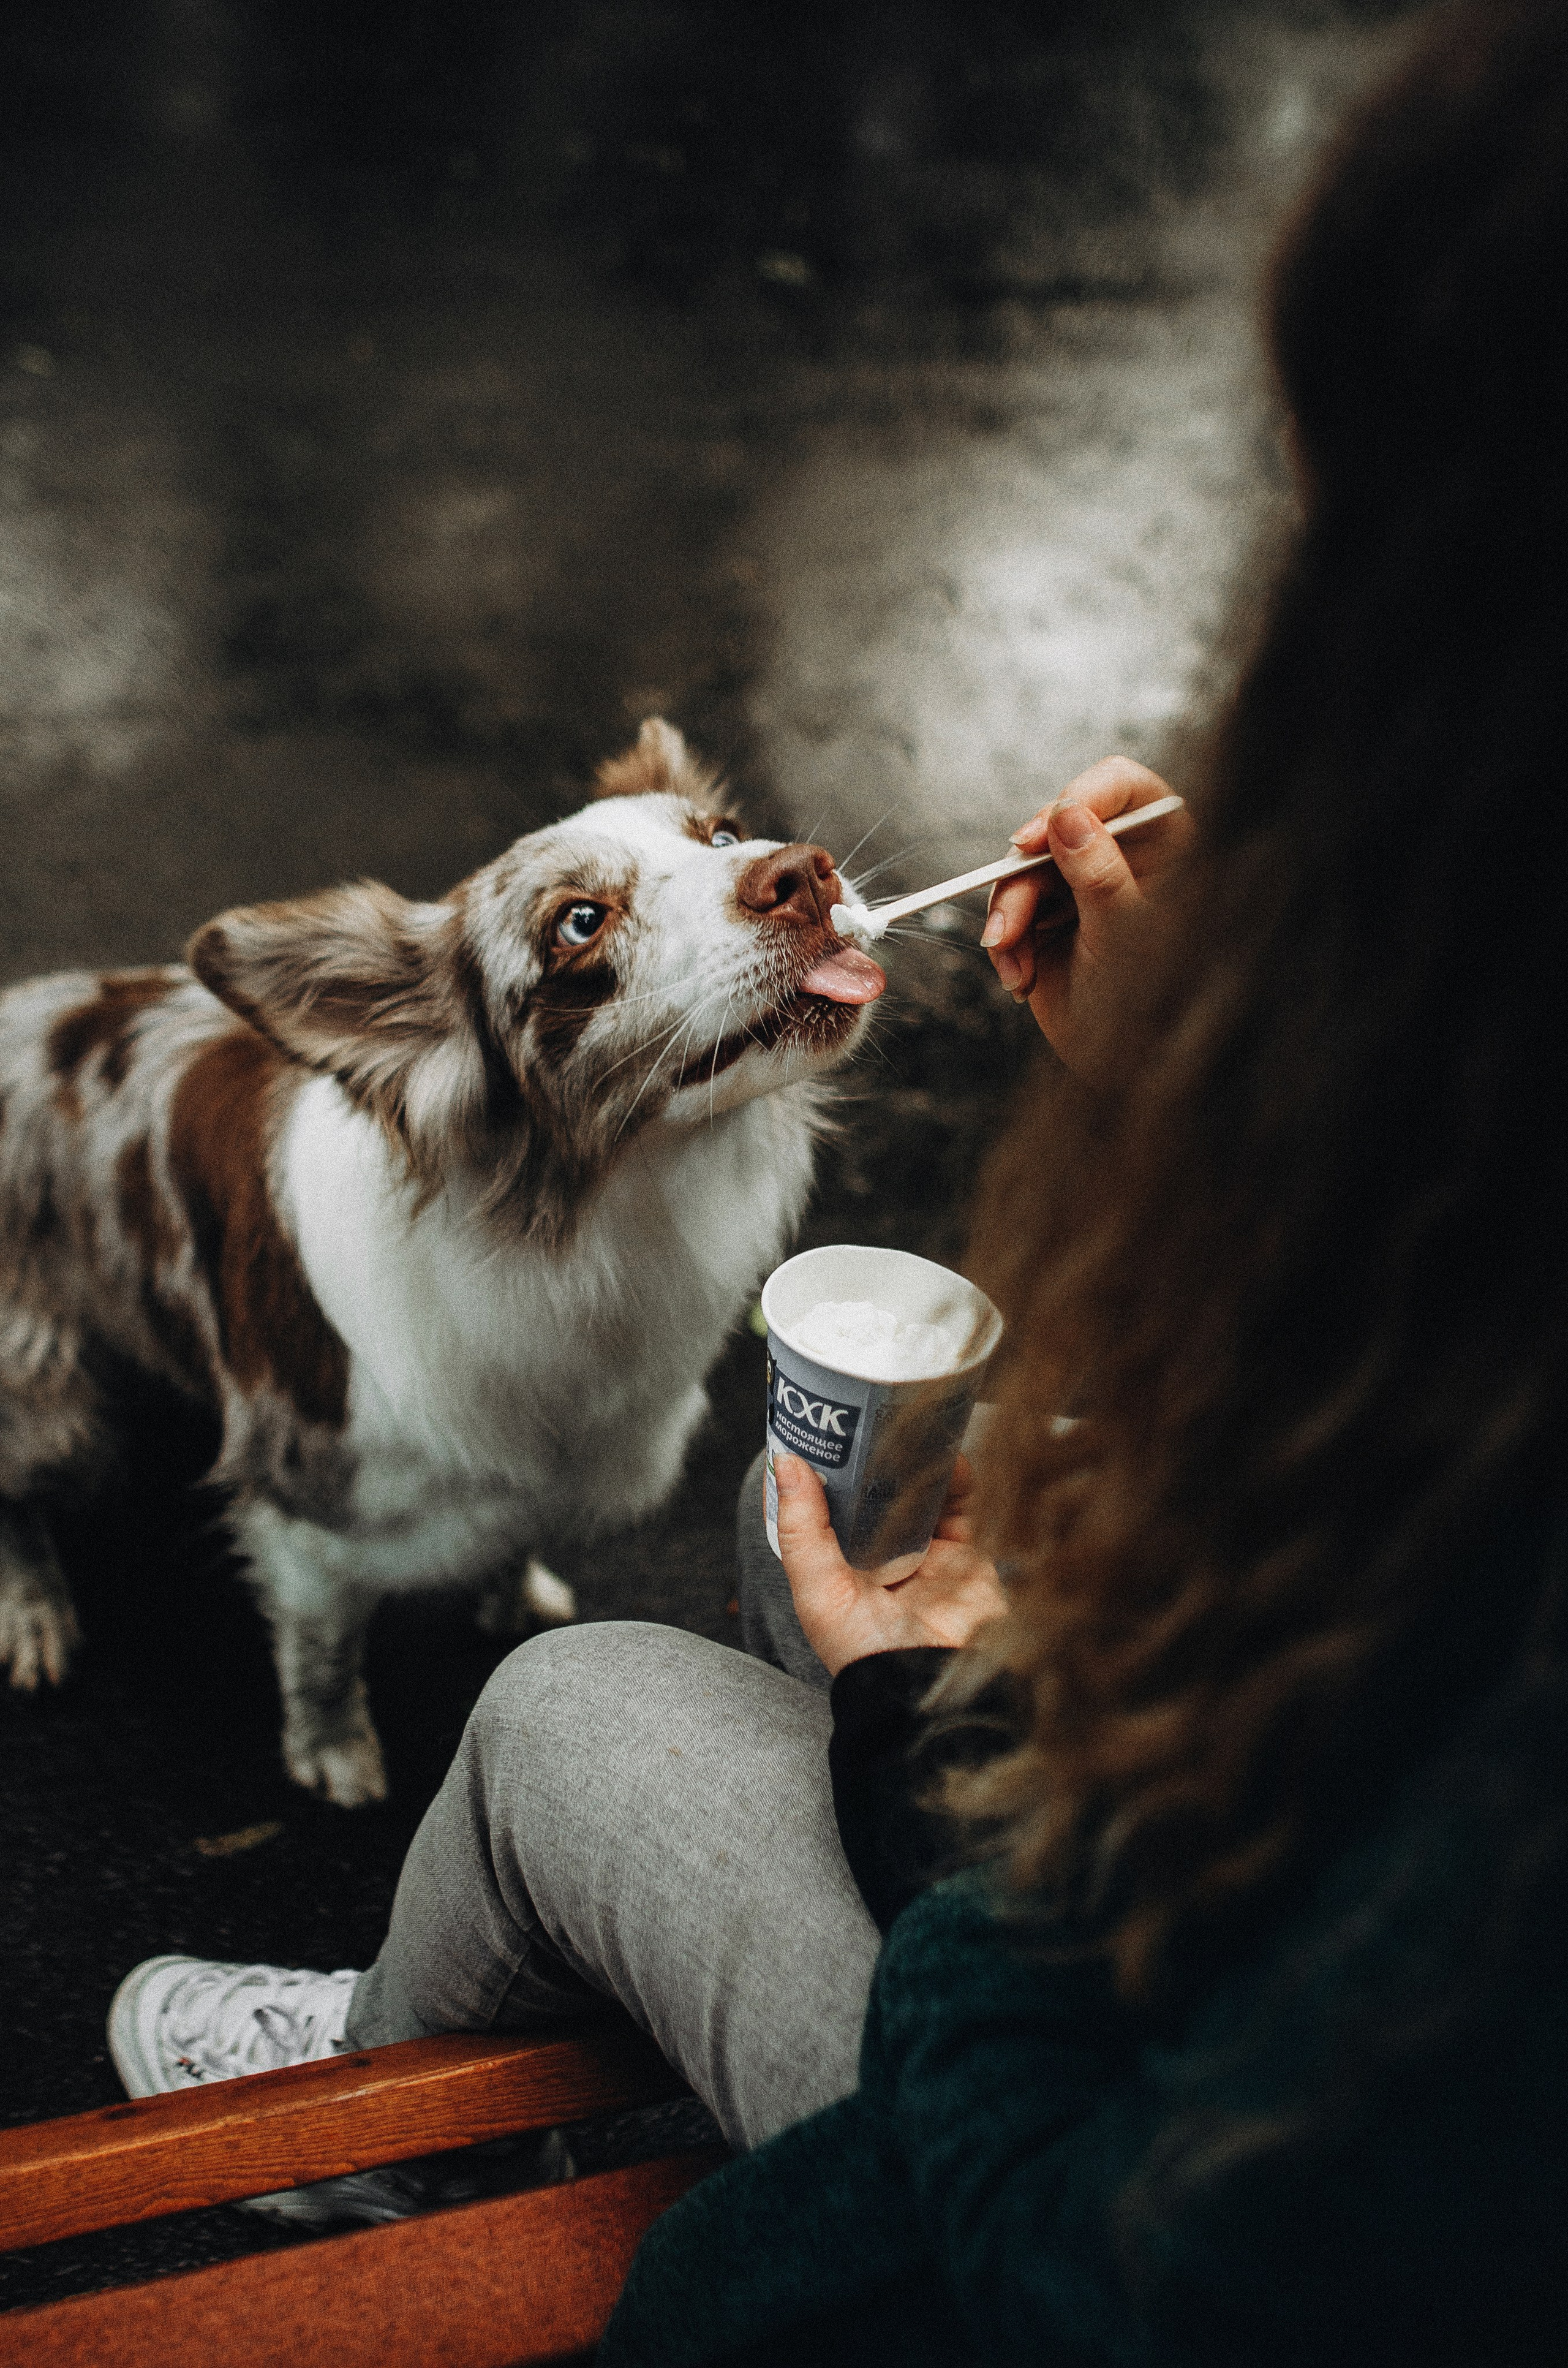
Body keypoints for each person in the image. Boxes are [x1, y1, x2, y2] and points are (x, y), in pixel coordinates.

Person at [102, 2, 1568, 2359]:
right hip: (1228, 1905)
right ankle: (489, 1986)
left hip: (1070, 2174)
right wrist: (1233, 1102)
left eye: (1347, 525)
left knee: (571, 1703)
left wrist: (937, 1744)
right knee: (826, 1557)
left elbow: (1137, 2262)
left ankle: (407, 2082)